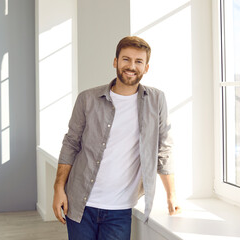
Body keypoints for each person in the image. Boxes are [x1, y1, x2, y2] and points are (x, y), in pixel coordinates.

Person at [52, 36, 180, 240]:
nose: (131, 66)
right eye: (126, 59)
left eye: (139, 61)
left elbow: (163, 149)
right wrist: (59, 188)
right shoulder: (87, 99)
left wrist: (171, 195)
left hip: (119, 210)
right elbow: (70, 144)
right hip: (80, 204)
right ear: (115, 62)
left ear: (146, 67)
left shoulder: (156, 100)